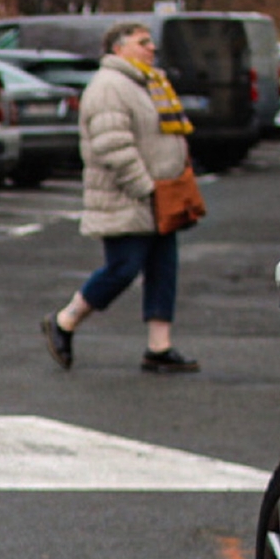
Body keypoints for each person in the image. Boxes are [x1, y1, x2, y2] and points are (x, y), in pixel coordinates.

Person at [41, 21, 199, 374]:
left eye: (151, 43)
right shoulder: (110, 86)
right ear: (118, 49)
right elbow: (113, 146)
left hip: (161, 195)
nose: (151, 48)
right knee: (123, 268)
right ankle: (65, 321)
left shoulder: (146, 82)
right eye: (143, 43)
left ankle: (159, 347)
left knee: (163, 268)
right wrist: (145, 187)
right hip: (130, 196)